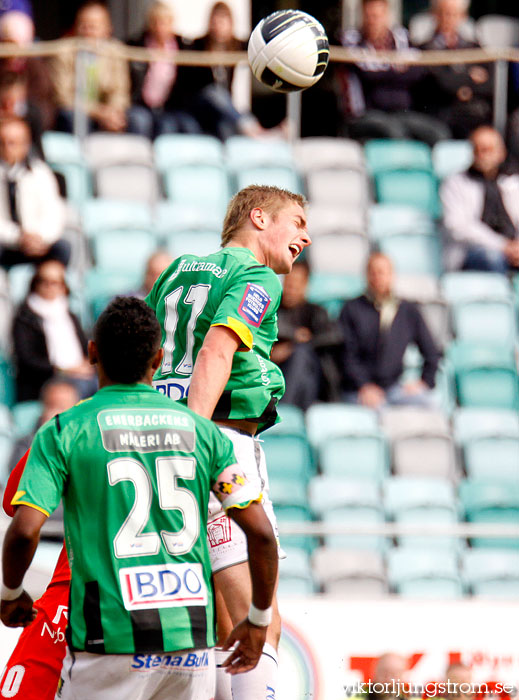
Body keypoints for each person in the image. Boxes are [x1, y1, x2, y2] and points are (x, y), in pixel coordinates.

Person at [1, 295, 278, 700]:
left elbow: (24, 529)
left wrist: (10, 593)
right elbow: (261, 533)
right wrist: (258, 618)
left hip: (108, 639)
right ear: (158, 359)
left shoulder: (67, 428)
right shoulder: (203, 433)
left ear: (92, 352)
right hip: (189, 649)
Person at [146, 184, 311, 700]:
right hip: (215, 443)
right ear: (259, 219)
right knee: (257, 624)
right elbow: (218, 350)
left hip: (154, 446)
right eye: (298, 223)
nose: (305, 237)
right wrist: (195, 439)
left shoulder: (175, 271)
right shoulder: (256, 275)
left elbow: (147, 357)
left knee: (218, 629)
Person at [338, 0, 449, 145]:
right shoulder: (352, 40)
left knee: (439, 133)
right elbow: (366, 73)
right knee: (395, 133)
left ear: (387, 16)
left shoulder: (401, 38)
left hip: (401, 113)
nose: (373, 21)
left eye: (377, 16)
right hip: (366, 115)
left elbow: (417, 72)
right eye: (369, 16)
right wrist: (395, 68)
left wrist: (382, 68)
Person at [339, 252, 441, 409]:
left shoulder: (407, 310)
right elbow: (346, 355)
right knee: (380, 413)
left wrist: (424, 382)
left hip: (393, 389)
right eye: (373, 272)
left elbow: (431, 351)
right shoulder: (351, 309)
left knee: (428, 404)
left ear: (392, 275)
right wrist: (364, 386)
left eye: (382, 272)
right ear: (366, 275)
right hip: (358, 390)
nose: (377, 277)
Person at [175, 2, 266, 140]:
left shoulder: (235, 46)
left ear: (230, 24)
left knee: (229, 125)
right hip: (201, 104)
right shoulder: (198, 45)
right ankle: (250, 127)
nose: (219, 27)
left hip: (222, 109)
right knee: (214, 93)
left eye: (223, 22)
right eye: (216, 22)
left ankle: (261, 134)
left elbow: (256, 44)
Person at [12, 260, 96, 401]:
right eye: (44, 281)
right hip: (47, 379)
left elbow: (85, 346)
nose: (49, 287)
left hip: (79, 372)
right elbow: (28, 360)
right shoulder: (25, 319)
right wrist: (64, 370)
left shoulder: (70, 314)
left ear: (64, 287)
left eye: (55, 282)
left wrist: (88, 364)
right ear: (35, 284)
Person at [441, 125, 519, 272]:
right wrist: (502, 246)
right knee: (492, 258)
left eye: (488, 149)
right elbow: (457, 227)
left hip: (512, 249)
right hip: (474, 252)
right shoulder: (455, 183)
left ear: (501, 153)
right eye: (477, 149)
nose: (482, 155)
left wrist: (515, 248)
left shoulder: (513, 183)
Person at [271, 258, 343, 409]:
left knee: (301, 353)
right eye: (288, 284)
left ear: (305, 285)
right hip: (273, 374)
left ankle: (285, 409)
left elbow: (334, 338)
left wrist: (292, 346)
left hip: (312, 379)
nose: (290, 289)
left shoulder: (317, 312)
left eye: (296, 285)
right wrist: (293, 337)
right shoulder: (272, 311)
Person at [416, 0, 493, 139]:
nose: (448, 18)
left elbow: (490, 84)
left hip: (474, 114)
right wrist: (470, 77)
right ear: (434, 15)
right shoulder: (425, 49)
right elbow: (443, 84)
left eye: (453, 14)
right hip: (441, 115)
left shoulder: (474, 47)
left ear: (462, 16)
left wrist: (458, 83)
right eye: (443, 13)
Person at [50, 1, 130, 134]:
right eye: (83, 26)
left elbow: (120, 91)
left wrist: (113, 112)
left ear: (107, 30)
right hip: (75, 111)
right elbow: (62, 97)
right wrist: (98, 112)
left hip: (108, 112)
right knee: (73, 118)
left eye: (93, 27)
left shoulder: (116, 52)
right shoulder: (63, 52)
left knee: (138, 119)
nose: (87, 31)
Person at [127, 0, 202, 139]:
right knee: (141, 121)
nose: (160, 27)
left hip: (171, 107)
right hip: (141, 105)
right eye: (156, 22)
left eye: (165, 22)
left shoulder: (183, 47)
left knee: (184, 125)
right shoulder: (137, 46)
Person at [0, 116, 68, 269]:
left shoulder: (40, 173)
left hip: (37, 244)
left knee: (63, 248)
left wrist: (40, 237)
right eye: (1, 142)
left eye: (11, 143)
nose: (6, 148)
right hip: (6, 244)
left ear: (25, 145)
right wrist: (18, 237)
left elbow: (54, 213)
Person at [7, 377, 79, 474]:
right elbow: (19, 473)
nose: (57, 413)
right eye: (51, 406)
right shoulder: (27, 442)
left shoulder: (85, 441)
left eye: (63, 407)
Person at [0, 11, 55, 131]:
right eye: (6, 43)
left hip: (27, 128)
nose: (10, 50)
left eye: (14, 44)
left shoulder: (35, 67)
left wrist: (20, 109)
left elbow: (43, 105)